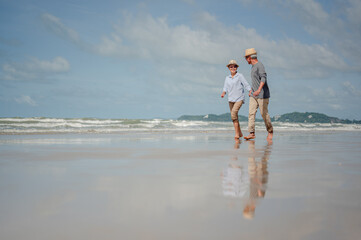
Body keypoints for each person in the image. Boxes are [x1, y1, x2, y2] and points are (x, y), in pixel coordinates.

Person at [243, 48, 273, 141]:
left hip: (262, 95)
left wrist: (259, 90)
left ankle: (270, 131)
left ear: (249, 58)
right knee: (251, 113)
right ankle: (251, 133)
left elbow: (263, 78)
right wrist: (252, 90)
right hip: (253, 94)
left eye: (246, 58)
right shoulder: (252, 67)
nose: (245, 60)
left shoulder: (260, 65)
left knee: (264, 114)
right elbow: (255, 81)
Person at [221, 60, 252, 140]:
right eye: (231, 66)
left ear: (236, 67)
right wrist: (223, 93)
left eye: (234, 66)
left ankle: (237, 134)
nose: (233, 68)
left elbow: (245, 84)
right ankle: (240, 133)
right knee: (234, 117)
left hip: (239, 98)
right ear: (228, 68)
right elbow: (225, 87)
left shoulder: (240, 76)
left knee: (233, 114)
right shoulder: (227, 78)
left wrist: (250, 90)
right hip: (230, 99)